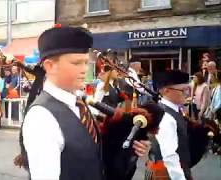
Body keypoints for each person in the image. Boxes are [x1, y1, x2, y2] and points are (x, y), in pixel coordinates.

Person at [20, 26, 150, 180]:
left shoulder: (80, 102)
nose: (84, 70)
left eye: (86, 63)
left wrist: (126, 149)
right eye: (76, 63)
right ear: (50, 66)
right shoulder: (41, 117)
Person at [145, 70, 218, 180]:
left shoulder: (174, 110)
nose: (188, 93)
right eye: (183, 90)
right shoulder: (166, 117)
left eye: (188, 89)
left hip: (174, 169)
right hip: (166, 173)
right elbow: (170, 157)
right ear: (166, 91)